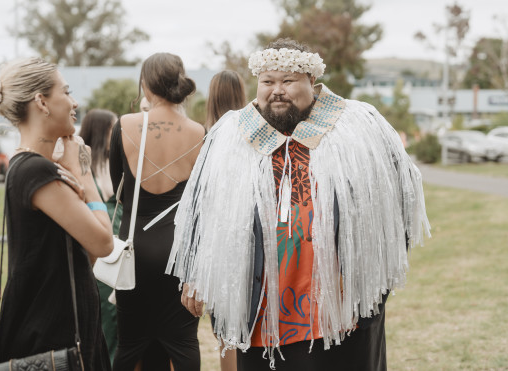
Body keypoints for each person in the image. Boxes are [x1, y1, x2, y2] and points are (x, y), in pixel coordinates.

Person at [169, 39, 431, 370]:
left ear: (312, 80)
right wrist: (195, 272)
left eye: (288, 80)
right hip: (261, 307)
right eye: (268, 81)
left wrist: (374, 267)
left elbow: (402, 191)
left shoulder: (356, 126)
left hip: (338, 310)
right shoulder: (232, 135)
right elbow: (202, 205)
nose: (277, 91)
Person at [0, 57, 114, 370]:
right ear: (41, 102)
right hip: (52, 332)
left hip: (60, 321)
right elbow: (104, 243)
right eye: (66, 92)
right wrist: (82, 173)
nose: (74, 103)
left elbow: (86, 255)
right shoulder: (36, 171)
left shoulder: (31, 166)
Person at [110, 52, 205, 371]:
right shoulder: (199, 132)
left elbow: (118, 188)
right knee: (183, 342)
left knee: (130, 342)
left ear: (145, 84)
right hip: (179, 254)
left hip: (133, 250)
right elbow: (200, 200)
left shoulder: (125, 125)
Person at [204, 69, 247, 371]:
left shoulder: (206, 139)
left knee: (224, 328)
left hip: (218, 242)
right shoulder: (254, 136)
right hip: (248, 236)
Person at [79, 108, 121, 364]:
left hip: (122, 243)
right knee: (105, 311)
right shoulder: (83, 167)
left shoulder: (115, 161)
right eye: (112, 129)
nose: (116, 135)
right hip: (98, 242)